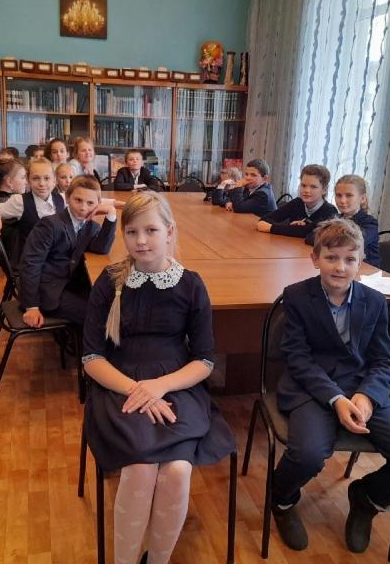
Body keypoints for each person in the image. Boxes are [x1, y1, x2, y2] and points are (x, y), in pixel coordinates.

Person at [82, 192, 235, 563]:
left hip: (176, 383)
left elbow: (204, 360)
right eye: (132, 232)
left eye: (151, 230)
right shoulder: (110, 280)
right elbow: (91, 358)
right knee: (139, 469)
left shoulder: (191, 284)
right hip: (119, 384)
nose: (141, 241)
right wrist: (138, 390)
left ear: (169, 232)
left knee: (178, 471)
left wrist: (159, 386)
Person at [272, 218, 390, 554]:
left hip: (362, 387)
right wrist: (335, 398)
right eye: (331, 257)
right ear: (315, 258)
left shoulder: (374, 301)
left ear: (361, 262)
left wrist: (367, 396)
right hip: (311, 387)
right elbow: (298, 359)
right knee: (308, 455)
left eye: (349, 259)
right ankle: (282, 500)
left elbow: (384, 360)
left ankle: (367, 498)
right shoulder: (297, 296)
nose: (340, 267)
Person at [19, 175, 116, 328]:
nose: (83, 207)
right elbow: (30, 264)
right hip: (47, 290)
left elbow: (101, 249)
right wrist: (31, 307)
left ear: (98, 204)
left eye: (90, 203)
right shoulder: (49, 225)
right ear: (68, 198)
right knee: (100, 317)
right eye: (78, 200)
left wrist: (111, 215)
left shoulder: (91, 226)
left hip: (71, 284)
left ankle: (80, 337)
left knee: (110, 306)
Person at [0, 157, 64, 265]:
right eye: (36, 178)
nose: (42, 183)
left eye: (47, 178)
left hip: (55, 259)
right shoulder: (20, 201)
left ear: (54, 181)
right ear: (28, 180)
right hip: (30, 263)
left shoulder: (62, 199)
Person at [306, 174, 380, 267]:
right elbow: (310, 237)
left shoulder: (370, 223)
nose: (342, 200)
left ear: (362, 198)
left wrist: (327, 237)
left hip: (365, 269)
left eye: (349, 195)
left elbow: (348, 244)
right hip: (339, 265)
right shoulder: (335, 218)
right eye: (339, 195)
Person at [257, 164, 337, 237]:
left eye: (313, 187)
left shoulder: (330, 211)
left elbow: (308, 232)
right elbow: (265, 219)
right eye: (303, 185)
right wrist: (291, 228)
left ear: (324, 190)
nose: (306, 190)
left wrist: (273, 228)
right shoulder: (297, 202)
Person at [211, 158, 276, 217]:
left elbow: (238, 208)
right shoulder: (250, 187)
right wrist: (228, 202)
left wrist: (238, 186)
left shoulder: (263, 194)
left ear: (265, 178)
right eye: (246, 174)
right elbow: (219, 201)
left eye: (253, 175)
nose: (248, 178)